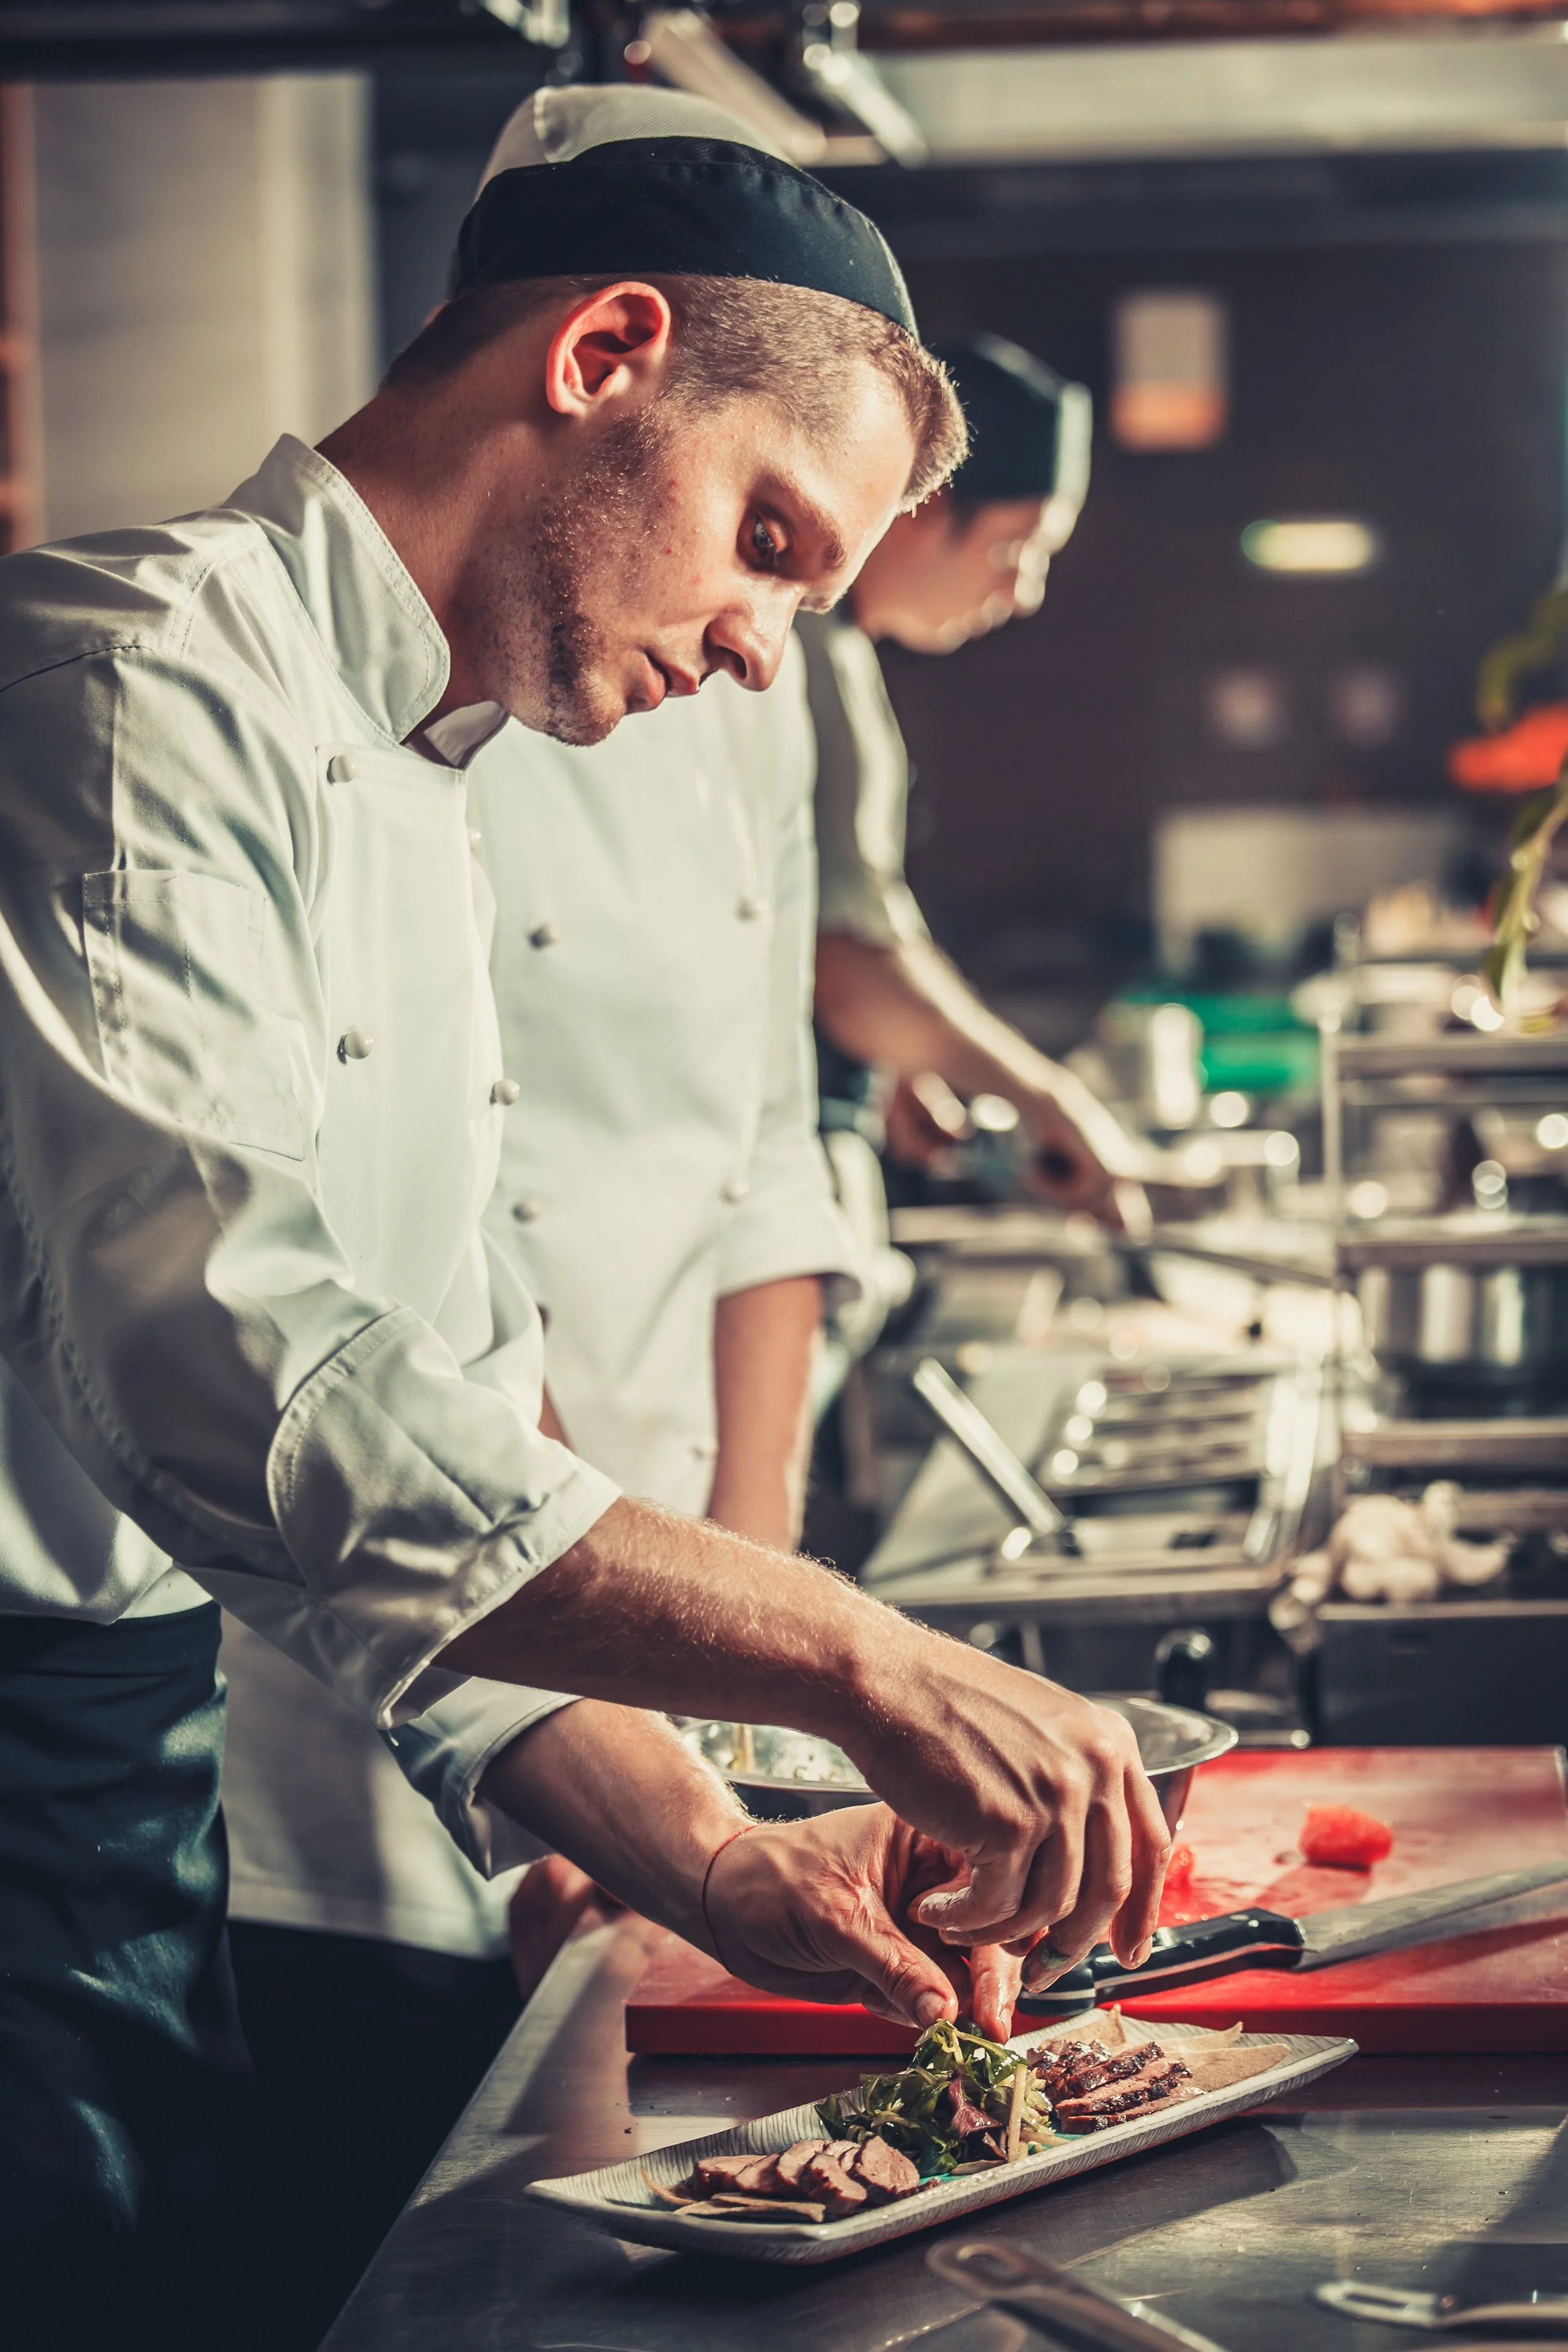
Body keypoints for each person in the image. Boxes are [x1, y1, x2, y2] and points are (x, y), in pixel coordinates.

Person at [0, 86, 1167, 2348]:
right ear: (606, 349)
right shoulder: (130, 682)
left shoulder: (431, 794)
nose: (758, 647)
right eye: (766, 540)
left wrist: (722, 1862)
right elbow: (224, 1380)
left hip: (111, 1781)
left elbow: (413, 1455)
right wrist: (855, 1653)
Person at [217, 617, 855, 2348]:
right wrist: (646, 1706)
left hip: (638, 1601)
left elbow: (772, 1149)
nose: (760, 636)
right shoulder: (368, 707)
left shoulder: (749, 699)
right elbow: (409, 1299)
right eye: (769, 537)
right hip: (394, 1652)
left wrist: (739, 1610)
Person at [803, 332, 1147, 1231]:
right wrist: (1047, 1097)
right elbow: (847, 961)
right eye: (1014, 547)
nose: (1024, 592)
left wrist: (905, 1057)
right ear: (920, 500)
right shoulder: (796, 654)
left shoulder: (844, 653)